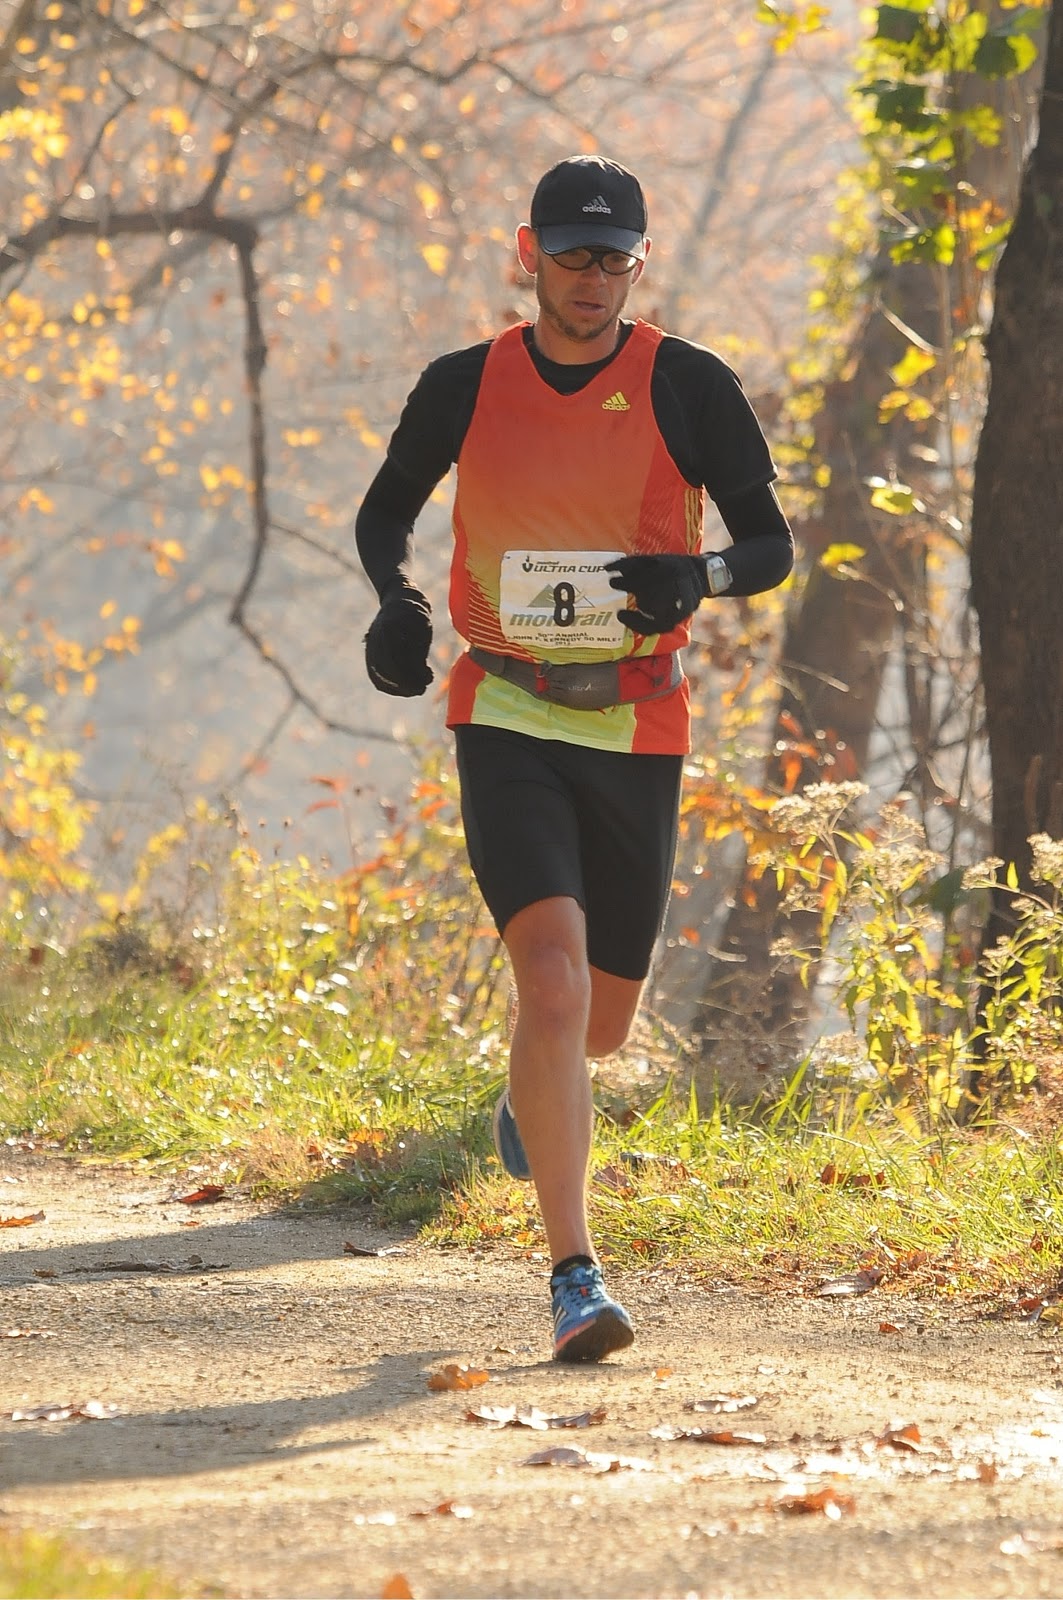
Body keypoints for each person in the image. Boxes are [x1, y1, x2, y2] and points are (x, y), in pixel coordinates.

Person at [355, 155, 794, 1363]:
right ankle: (573, 1277)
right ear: (527, 254)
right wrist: (398, 601)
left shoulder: (689, 384)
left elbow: (768, 547)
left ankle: (531, 1092)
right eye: (570, 255)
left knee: (597, 1028)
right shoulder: (464, 384)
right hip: (505, 709)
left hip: (636, 724)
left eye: (613, 258)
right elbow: (385, 511)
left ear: (638, 264)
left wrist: (694, 577)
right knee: (547, 983)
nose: (591, 278)